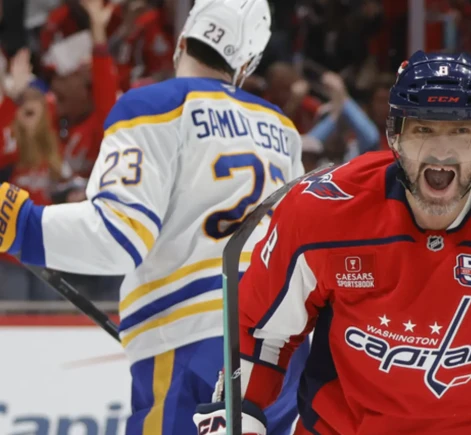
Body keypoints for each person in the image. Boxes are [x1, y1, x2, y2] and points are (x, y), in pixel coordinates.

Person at [193, 51, 471, 435]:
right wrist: (238, 411)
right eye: (423, 130)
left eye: (460, 131)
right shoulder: (321, 212)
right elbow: (262, 333)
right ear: (394, 137)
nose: (441, 151)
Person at [0, 0, 307, 433]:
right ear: (246, 65)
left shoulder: (152, 105)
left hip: (190, 343)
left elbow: (117, 238)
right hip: (283, 354)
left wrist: (20, 224)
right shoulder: (283, 129)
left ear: (182, 42)